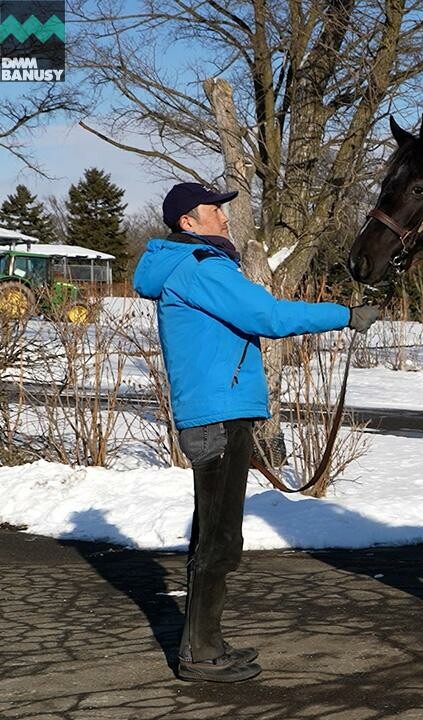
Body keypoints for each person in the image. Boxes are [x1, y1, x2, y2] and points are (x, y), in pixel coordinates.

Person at [132, 183, 379, 682]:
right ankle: (200, 654)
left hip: (218, 411)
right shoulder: (200, 267)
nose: (225, 218)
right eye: (214, 211)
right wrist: (345, 316)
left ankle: (206, 641)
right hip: (217, 415)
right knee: (220, 538)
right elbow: (267, 315)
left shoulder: (192, 266)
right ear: (188, 222)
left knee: (214, 534)